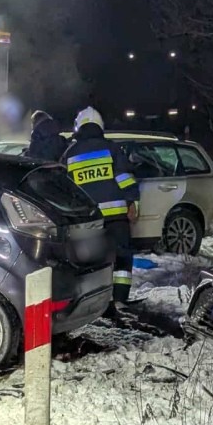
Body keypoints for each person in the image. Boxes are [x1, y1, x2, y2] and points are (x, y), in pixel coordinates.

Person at [63, 106, 139, 308]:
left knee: (91, 261)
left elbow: (64, 189)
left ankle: (93, 301)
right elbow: (125, 179)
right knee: (122, 258)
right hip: (116, 217)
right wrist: (132, 202)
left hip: (88, 219)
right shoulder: (111, 149)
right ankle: (120, 299)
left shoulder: (70, 154)